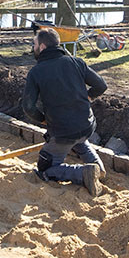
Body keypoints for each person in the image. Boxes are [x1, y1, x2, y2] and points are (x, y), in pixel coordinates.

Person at [22, 27, 107, 196]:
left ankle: (82, 173)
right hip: (87, 125)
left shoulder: (36, 72)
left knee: (46, 168)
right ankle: (97, 166)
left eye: (35, 44)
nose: (33, 48)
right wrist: (88, 98)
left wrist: (43, 120)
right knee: (79, 139)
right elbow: (101, 86)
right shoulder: (76, 62)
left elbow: (28, 107)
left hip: (63, 132)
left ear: (43, 47)